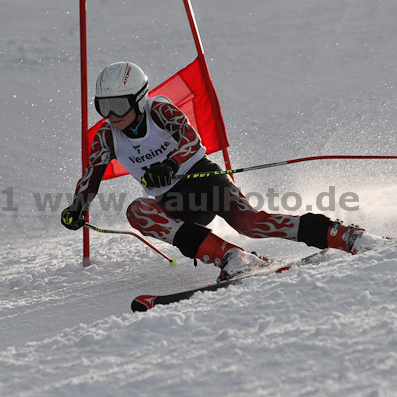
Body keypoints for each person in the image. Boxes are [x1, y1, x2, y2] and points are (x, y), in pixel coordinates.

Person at [61, 61, 379, 280]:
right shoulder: (106, 136)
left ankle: (346, 236)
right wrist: (79, 206)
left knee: (250, 222)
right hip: (173, 201)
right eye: (103, 106)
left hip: (203, 179)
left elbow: (190, 138)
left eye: (118, 105)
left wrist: (170, 164)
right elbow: (91, 176)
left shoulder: (159, 110)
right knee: (137, 211)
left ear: (139, 99)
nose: (111, 115)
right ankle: (232, 257)